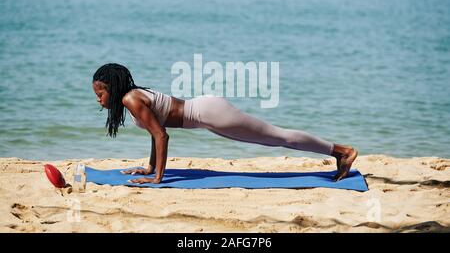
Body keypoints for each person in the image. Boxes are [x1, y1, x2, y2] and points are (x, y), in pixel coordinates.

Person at [92, 63, 358, 184]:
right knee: (273, 138)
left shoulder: (131, 99)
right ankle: (337, 152)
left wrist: (158, 178)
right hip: (207, 116)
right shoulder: (133, 96)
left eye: (100, 93)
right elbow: (156, 131)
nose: (99, 99)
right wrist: (150, 167)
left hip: (209, 113)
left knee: (278, 137)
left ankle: (342, 151)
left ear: (113, 89)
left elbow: (161, 136)